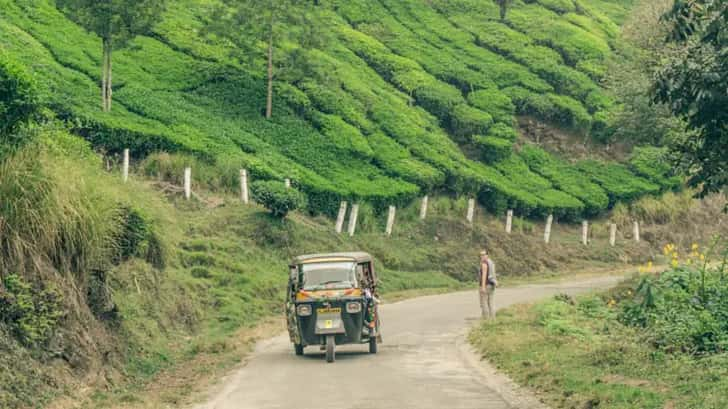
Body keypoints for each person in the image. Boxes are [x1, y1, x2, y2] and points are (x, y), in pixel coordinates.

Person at [478, 249, 497, 319]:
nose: (482, 256)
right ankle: (493, 318)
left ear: (487, 255)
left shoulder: (484, 264)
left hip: (485, 285)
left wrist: (482, 287)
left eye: (483, 254)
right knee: (490, 303)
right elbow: (493, 274)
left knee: (484, 303)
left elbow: (484, 276)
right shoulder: (491, 262)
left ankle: (486, 319)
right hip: (491, 285)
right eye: (481, 255)